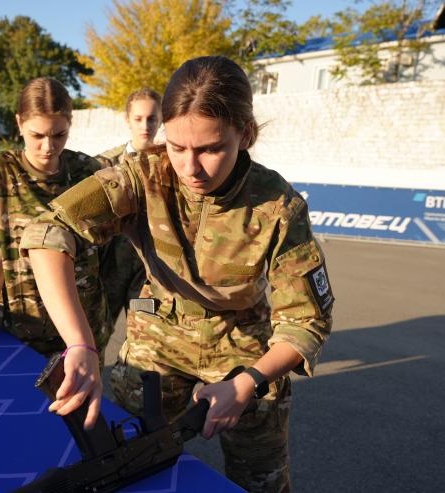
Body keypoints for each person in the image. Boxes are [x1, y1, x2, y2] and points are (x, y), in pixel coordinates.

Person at [20, 56, 334, 492]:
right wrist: (81, 344)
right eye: (177, 146)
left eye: (210, 149)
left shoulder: (278, 207)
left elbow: (306, 321)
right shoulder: (142, 174)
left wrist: (249, 381)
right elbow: (47, 234)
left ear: (245, 134)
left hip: (243, 346)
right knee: (126, 462)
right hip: (158, 335)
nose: (190, 168)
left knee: (261, 479)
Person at [0, 77, 113, 358]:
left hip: (81, 330)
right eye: (37, 135)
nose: (48, 146)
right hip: (19, 329)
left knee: (79, 402)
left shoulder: (86, 171)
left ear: (69, 124)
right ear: (19, 123)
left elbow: (106, 248)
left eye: (59, 135)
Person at [96, 88, 162, 325]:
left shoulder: (171, 164)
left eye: (152, 118)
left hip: (148, 274)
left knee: (144, 333)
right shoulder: (104, 164)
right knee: (96, 336)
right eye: (138, 118)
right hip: (107, 268)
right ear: (127, 120)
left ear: (161, 118)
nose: (146, 125)